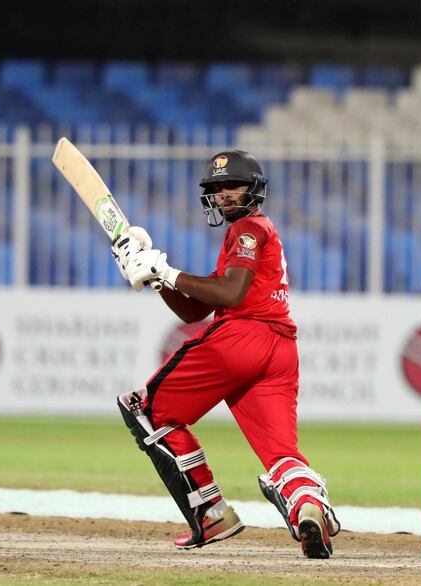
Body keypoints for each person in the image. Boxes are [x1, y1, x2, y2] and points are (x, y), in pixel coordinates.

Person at [111, 150, 340, 559]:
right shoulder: (253, 231)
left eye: (231, 185)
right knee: (281, 453)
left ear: (254, 188)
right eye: (216, 189)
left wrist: (164, 270)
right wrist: (154, 276)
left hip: (243, 339)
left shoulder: (248, 229)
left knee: (146, 410)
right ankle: (310, 509)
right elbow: (198, 307)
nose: (223, 195)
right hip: (280, 350)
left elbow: (230, 295)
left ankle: (210, 512)